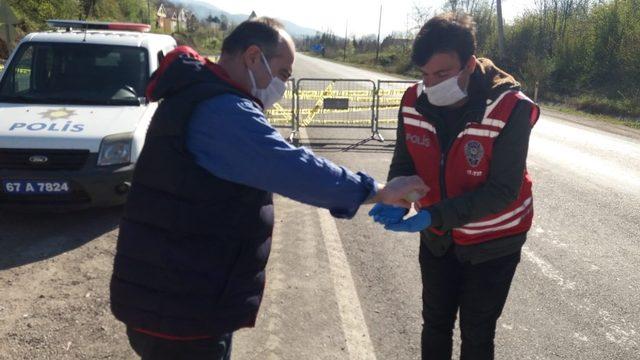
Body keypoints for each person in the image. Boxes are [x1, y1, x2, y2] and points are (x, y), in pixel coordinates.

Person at [109, 17, 427, 360]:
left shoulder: (200, 93)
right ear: (252, 57)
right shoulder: (222, 110)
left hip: (174, 295)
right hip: (182, 309)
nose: (283, 86)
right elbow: (295, 169)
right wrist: (378, 190)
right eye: (283, 73)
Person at [369, 12, 540, 360]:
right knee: (434, 322)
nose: (431, 85)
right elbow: (406, 163)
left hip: (494, 241)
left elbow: (502, 191)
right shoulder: (413, 100)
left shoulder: (510, 108)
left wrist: (435, 216)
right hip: (438, 238)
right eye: (424, 74)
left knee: (477, 333)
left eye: (442, 74)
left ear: (470, 64)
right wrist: (398, 198)